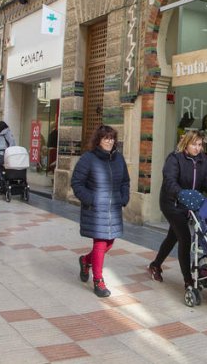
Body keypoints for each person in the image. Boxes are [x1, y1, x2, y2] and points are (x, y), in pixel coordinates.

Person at [147, 130, 207, 289]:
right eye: (194, 144)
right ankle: (188, 280)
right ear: (186, 144)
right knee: (184, 237)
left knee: (173, 236)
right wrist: (181, 194)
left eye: (200, 145)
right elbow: (169, 181)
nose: (197, 148)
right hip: (172, 204)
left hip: (189, 204)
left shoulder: (202, 159)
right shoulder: (175, 158)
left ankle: (155, 265)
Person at [70, 125, 130, 298]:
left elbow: (125, 181)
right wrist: (91, 199)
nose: (109, 141)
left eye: (112, 138)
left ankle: (85, 261)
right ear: (98, 140)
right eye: (106, 138)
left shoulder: (119, 158)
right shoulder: (88, 158)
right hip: (96, 209)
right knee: (101, 243)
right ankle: (98, 280)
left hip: (114, 208)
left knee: (109, 243)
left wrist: (124, 197)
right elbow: (77, 183)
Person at [0, 121, 16, 188]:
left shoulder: (7, 133)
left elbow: (12, 143)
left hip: (4, 154)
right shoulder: (0, 134)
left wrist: (8, 152)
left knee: (2, 170)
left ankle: (2, 185)